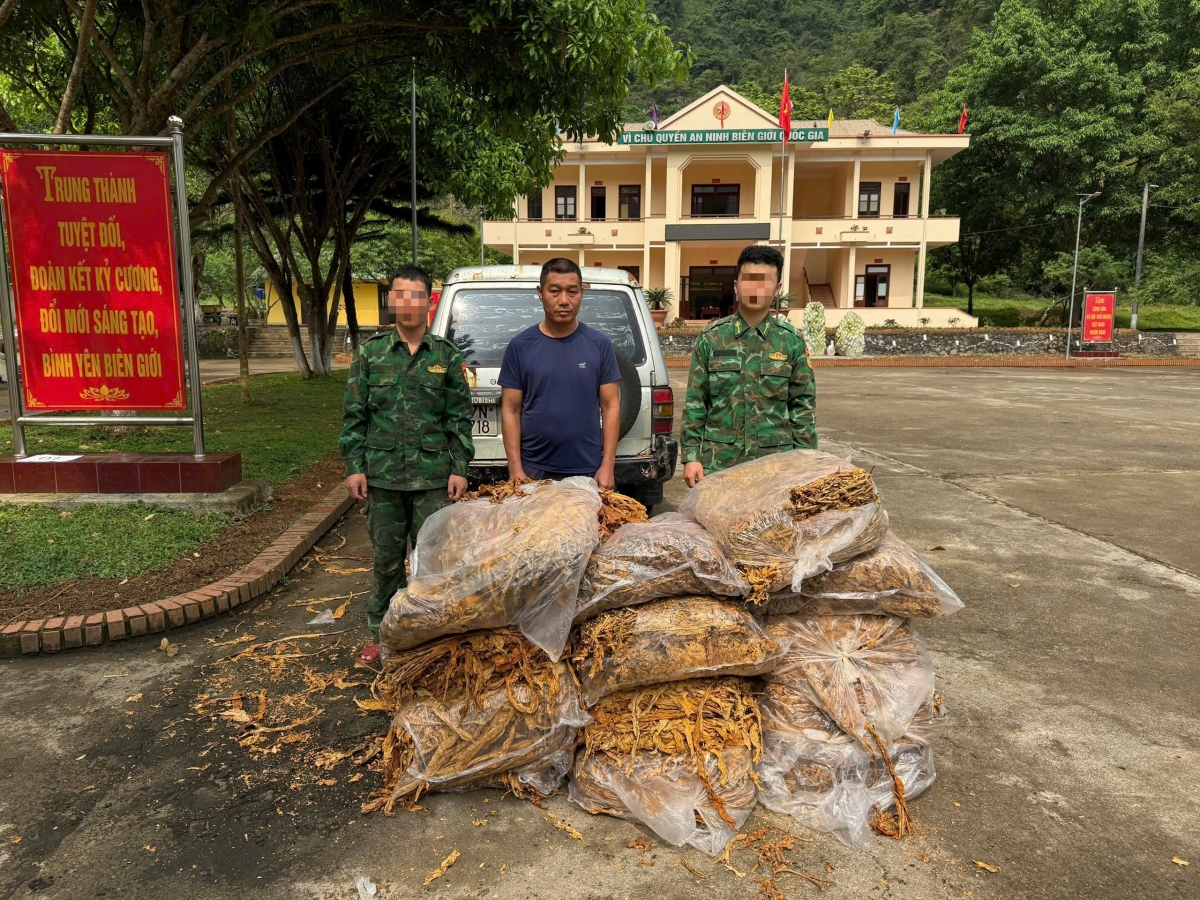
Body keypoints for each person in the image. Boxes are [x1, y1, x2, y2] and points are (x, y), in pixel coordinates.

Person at [339, 264, 474, 664]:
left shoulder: (446, 357)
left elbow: (458, 418)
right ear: (392, 300)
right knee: (386, 560)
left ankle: (431, 638)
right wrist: (354, 465)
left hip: (433, 479)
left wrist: (459, 467)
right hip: (382, 478)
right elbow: (355, 415)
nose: (408, 303)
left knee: (433, 563)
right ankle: (384, 635)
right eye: (400, 295)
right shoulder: (371, 354)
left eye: (416, 296)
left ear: (428, 302)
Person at [680, 244, 816, 486]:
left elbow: (802, 407)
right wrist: (691, 456)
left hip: (776, 466)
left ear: (778, 289)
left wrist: (805, 461)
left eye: (764, 281)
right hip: (719, 463)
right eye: (749, 280)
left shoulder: (791, 341)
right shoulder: (711, 338)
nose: (756, 288)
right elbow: (696, 401)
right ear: (736, 286)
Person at [499, 257, 622, 489]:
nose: (564, 300)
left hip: (588, 470)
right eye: (554, 291)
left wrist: (607, 465)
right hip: (533, 470)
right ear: (540, 292)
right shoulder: (520, 346)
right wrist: (515, 469)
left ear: (582, 293)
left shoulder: (600, 344)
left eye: (572, 292)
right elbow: (510, 409)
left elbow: (611, 406)